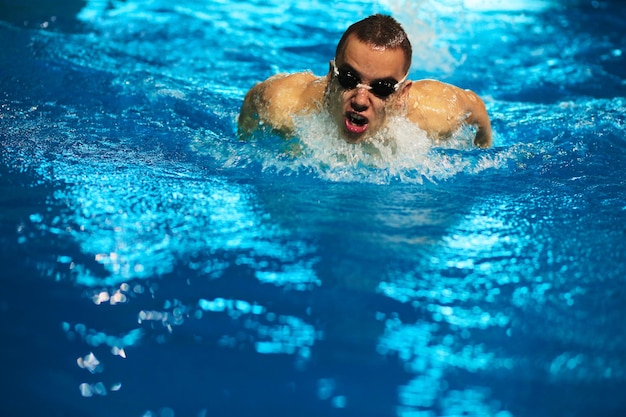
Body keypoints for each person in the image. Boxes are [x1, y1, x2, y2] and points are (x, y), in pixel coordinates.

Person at [238, 14, 492, 148]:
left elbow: (477, 108)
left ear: (402, 94)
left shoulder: (435, 113)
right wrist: (245, 142)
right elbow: (252, 99)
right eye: (349, 79)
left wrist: (483, 149)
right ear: (330, 76)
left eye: (381, 88)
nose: (360, 100)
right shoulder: (285, 105)